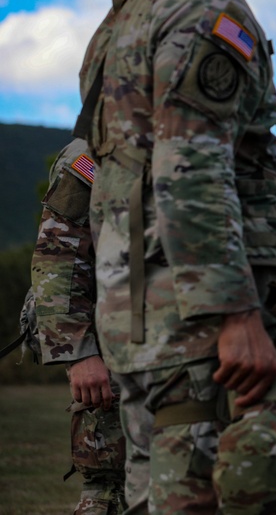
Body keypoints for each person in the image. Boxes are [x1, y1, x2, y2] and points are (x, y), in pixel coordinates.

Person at [74, 0, 276, 513]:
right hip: (198, 335)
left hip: (140, 320)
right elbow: (191, 170)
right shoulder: (209, 11)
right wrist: (234, 314)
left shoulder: (127, 13)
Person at [17, 138, 126, 515]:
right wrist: (79, 353)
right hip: (112, 347)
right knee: (109, 486)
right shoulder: (94, 151)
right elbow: (59, 254)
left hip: (180, 345)